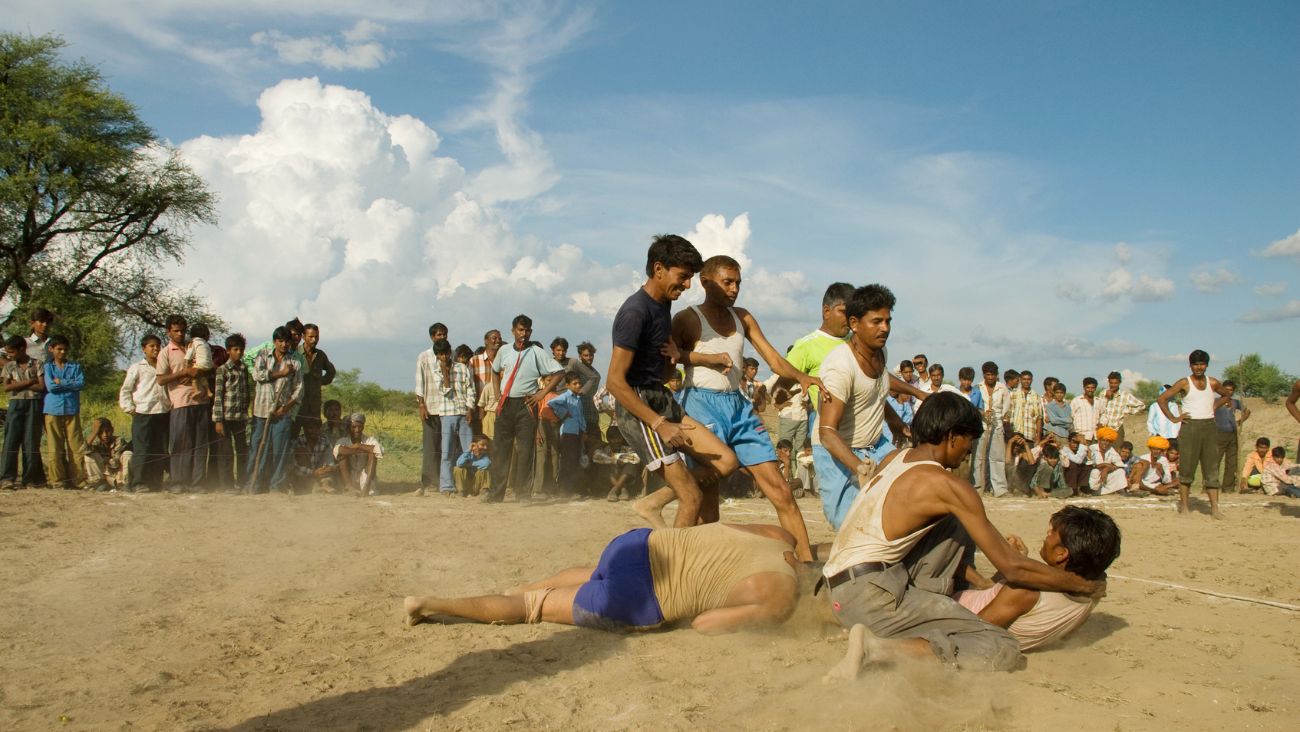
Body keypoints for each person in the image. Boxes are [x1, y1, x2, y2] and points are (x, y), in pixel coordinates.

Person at [820, 392, 1103, 678]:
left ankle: (923, 605)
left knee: (954, 522)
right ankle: (877, 649)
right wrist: (1079, 584)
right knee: (999, 644)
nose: (969, 451)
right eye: (969, 442)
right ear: (952, 436)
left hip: (838, 590)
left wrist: (981, 583)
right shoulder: (947, 485)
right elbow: (1012, 569)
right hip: (872, 598)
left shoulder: (895, 457)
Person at [637, 255, 821, 559]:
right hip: (700, 405)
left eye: (738, 283)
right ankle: (688, 569)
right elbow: (667, 362)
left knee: (782, 491)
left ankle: (807, 566)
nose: (734, 289)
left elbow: (773, 359)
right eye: (727, 282)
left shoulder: (743, 317)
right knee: (708, 509)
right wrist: (688, 358)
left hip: (738, 405)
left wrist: (802, 376)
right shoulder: (687, 318)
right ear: (705, 282)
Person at [404, 522, 798, 635]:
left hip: (638, 543)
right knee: (531, 611)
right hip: (642, 597)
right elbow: (704, 623)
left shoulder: (780, 536)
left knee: (597, 573)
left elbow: (718, 529)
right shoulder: (779, 597)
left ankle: (522, 585)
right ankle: (431, 604)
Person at [604, 235, 736, 529]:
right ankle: (675, 568)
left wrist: (674, 358)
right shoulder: (635, 312)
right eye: (683, 277)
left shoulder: (663, 306)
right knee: (690, 496)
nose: (687, 285)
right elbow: (614, 381)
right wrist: (658, 423)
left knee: (726, 462)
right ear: (659, 268)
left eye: (690, 278)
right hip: (640, 407)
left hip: (661, 397)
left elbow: (662, 373)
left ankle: (653, 502)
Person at [814, 284, 928, 530]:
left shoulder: (880, 351)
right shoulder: (840, 367)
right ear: (854, 324)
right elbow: (826, 433)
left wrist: (896, 420)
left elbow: (876, 387)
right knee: (852, 529)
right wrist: (858, 466)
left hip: (876, 446)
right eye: (876, 321)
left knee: (910, 506)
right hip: (839, 452)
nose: (885, 328)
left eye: (888, 321)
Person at [952, 507, 1121, 652]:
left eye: (1052, 532)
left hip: (951, 610)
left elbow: (971, 633)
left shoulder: (1025, 590)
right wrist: (1020, 564)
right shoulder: (1096, 587)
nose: (1047, 535)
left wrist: (1018, 568)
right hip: (981, 603)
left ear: (1061, 554)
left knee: (952, 527)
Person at [483, 314, 565, 504]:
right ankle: (496, 494)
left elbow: (559, 372)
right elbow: (495, 372)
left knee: (526, 451)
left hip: (526, 405)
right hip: (505, 404)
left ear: (531, 332)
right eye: (520, 330)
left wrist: (541, 394)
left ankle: (523, 495)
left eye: (527, 330)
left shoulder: (537, 351)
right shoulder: (503, 350)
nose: (524, 334)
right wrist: (497, 395)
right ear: (513, 331)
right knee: (501, 450)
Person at [1156, 350, 1232, 519]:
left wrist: (1213, 407)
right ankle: (1184, 507)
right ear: (1190, 365)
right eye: (1196, 364)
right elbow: (1162, 399)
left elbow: (1226, 395)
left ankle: (1215, 509)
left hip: (1210, 427)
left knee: (1211, 468)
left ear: (1207, 365)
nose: (1199, 367)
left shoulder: (1212, 382)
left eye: (1202, 364)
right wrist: (1174, 418)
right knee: (1187, 469)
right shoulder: (1184, 383)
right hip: (1190, 427)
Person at [155, 315, 211, 493]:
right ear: (168, 332)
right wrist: (183, 373)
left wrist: (198, 372)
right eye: (176, 331)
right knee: (181, 443)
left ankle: (198, 483)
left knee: (200, 443)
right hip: (180, 402)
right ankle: (178, 482)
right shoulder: (165, 352)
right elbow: (161, 379)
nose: (180, 334)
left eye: (182, 330)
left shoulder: (194, 345)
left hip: (200, 401)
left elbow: (206, 366)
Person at [247, 327, 302, 494]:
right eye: (280, 341)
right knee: (257, 449)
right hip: (261, 411)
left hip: (282, 413)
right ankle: (253, 483)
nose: (284, 344)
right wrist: (281, 373)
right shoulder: (263, 355)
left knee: (280, 451)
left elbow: (299, 389)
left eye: (286, 341)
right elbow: (258, 375)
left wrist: (284, 409)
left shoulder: (295, 362)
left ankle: (276, 485)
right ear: (274, 342)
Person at [422, 340, 475, 498]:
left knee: (468, 451)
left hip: (464, 413)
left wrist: (470, 409)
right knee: (447, 452)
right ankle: (447, 486)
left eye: (446, 353)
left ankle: (468, 485)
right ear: (437, 356)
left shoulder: (462, 368)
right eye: (440, 354)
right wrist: (445, 372)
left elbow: (470, 389)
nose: (444, 356)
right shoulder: (436, 372)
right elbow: (446, 392)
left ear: (450, 352)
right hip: (447, 414)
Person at [118, 334, 170, 493]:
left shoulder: (165, 367)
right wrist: (129, 408)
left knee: (160, 449)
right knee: (142, 449)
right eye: (151, 346)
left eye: (157, 346)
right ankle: (138, 482)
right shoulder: (137, 368)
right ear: (144, 349)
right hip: (143, 412)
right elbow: (126, 390)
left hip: (162, 412)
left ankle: (155, 482)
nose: (155, 349)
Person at [40, 335, 86, 490]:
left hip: (71, 409)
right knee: (55, 447)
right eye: (59, 349)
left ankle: (78, 479)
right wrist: (69, 384)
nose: (62, 352)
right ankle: (57, 481)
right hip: (53, 410)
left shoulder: (75, 366)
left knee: (76, 447)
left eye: (65, 349)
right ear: (51, 349)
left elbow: (80, 384)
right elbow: (51, 387)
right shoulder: (48, 367)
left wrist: (63, 382)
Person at [1, 336, 47, 489]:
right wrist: (29, 382)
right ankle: (7, 478)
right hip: (16, 404)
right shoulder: (9, 366)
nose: (9, 355)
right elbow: (6, 387)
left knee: (31, 442)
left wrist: (17, 385)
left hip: (33, 404)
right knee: (11, 441)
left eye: (12, 352)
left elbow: (41, 387)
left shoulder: (37, 364)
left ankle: (30, 479)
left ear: (22, 349)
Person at [415, 322, 451, 492]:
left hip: (449, 408)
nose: (441, 337)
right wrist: (421, 404)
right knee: (431, 445)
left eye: (444, 334)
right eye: (438, 334)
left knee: (447, 446)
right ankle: (429, 482)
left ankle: (444, 481)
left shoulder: (452, 354)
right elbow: (419, 382)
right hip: (430, 406)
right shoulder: (424, 356)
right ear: (432, 337)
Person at [211, 333, 250, 491]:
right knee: (226, 453)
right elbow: (218, 396)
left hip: (240, 417)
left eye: (241, 349)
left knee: (242, 450)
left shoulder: (243, 369)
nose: (239, 352)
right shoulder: (222, 370)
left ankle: (242, 482)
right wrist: (218, 420)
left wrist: (246, 412)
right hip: (226, 417)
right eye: (235, 349)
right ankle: (226, 485)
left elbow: (246, 393)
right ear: (228, 351)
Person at [973, 361, 1011, 497]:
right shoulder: (978, 387)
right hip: (981, 427)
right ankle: (978, 487)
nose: (990, 377)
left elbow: (1005, 406)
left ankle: (999, 489)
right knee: (979, 458)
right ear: (984, 375)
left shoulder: (1002, 388)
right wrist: (983, 413)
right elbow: (974, 406)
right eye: (988, 375)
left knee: (997, 458)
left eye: (993, 375)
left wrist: (996, 417)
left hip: (997, 426)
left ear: (996, 375)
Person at [549, 372, 588, 498]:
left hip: (577, 433)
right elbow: (551, 403)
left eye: (579, 383)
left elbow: (581, 416)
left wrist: (583, 430)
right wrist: (563, 413)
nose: (578, 385)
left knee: (575, 461)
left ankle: (572, 489)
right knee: (567, 461)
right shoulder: (565, 396)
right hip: (567, 433)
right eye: (574, 384)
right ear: (567, 385)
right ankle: (564, 489)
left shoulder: (578, 399)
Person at [296, 323, 337, 437]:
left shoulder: (320, 355)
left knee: (313, 437)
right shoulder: (295, 353)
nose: (314, 340)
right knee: (292, 436)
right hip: (297, 406)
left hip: (314, 406)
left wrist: (321, 381)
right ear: (303, 336)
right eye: (311, 337)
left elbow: (331, 372)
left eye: (317, 336)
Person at [334, 412, 384, 495]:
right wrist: (361, 448)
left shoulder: (370, 440)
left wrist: (359, 446)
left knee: (373, 454)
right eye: (354, 427)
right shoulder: (343, 440)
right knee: (342, 456)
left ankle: (366, 488)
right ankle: (349, 487)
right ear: (349, 427)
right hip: (349, 475)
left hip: (365, 474)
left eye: (360, 427)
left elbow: (380, 451)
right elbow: (338, 451)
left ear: (363, 427)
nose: (357, 430)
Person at [1213, 380, 1249, 492]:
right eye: (1226, 389)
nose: (1229, 392)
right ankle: (1210, 486)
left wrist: (1239, 422)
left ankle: (1228, 487)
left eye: (1231, 390)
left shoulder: (1235, 402)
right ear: (1221, 390)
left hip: (1233, 434)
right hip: (1219, 433)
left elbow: (1247, 411)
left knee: (1231, 462)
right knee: (1215, 461)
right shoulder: (1215, 401)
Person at [470, 330, 503, 438]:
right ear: (486, 341)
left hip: (500, 412)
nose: (498, 341)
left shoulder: (504, 362)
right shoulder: (474, 361)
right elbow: (468, 386)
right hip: (479, 412)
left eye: (499, 338)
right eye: (494, 338)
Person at [1096, 371, 1146, 444]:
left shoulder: (1125, 395)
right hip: (1104, 428)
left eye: (1115, 383)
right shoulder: (1103, 393)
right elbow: (1099, 409)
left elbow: (1141, 406)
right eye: (1111, 383)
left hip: (1117, 429)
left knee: (1116, 453)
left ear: (1119, 383)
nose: (1113, 385)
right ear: (1108, 382)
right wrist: (1106, 398)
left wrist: (1126, 410)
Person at [292, 419, 339, 494]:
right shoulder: (298, 442)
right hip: (304, 476)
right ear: (305, 429)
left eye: (317, 428)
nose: (314, 431)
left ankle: (326, 485)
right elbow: (294, 467)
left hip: (320, 473)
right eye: (311, 428)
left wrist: (327, 468)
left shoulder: (324, 441)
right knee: (302, 451)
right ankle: (314, 485)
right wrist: (313, 472)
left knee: (327, 466)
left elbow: (329, 460)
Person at [83, 417, 131, 491]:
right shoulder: (96, 442)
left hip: (117, 475)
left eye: (107, 431)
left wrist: (105, 461)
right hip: (103, 476)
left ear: (112, 430)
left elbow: (115, 464)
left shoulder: (119, 441)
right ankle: (99, 483)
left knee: (128, 454)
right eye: (101, 432)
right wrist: (94, 432)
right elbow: (82, 451)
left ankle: (125, 484)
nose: (105, 435)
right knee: (89, 456)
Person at [572, 342, 602, 446]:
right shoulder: (576, 371)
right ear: (580, 356)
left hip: (592, 415)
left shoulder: (596, 374)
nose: (589, 358)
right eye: (585, 355)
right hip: (579, 415)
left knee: (596, 447)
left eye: (591, 355)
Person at [1086, 427, 1127, 495]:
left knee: (1120, 471)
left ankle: (1109, 491)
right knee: (1095, 472)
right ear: (1099, 440)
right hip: (1093, 477)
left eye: (1109, 441)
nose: (1106, 443)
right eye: (1104, 440)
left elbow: (1120, 465)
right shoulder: (1092, 448)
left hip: (1104, 478)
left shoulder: (1111, 449)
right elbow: (1090, 465)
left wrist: (1107, 469)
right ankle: (1093, 491)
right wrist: (1104, 465)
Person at [1008, 369, 1044, 443]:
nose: (1026, 381)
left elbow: (1039, 418)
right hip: (1015, 434)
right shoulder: (1012, 394)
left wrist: (1038, 438)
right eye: (1024, 379)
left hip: (1030, 435)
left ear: (1031, 380)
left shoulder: (1036, 397)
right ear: (1020, 380)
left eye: (1028, 379)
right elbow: (1008, 414)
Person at [184, 322, 215, 402]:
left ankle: (196, 390)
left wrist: (186, 366)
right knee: (202, 377)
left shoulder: (193, 343)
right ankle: (208, 391)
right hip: (210, 365)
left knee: (193, 375)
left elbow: (189, 355)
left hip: (200, 365)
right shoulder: (206, 344)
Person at [1069, 377, 1100, 443]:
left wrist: (1101, 423)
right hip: (1081, 436)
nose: (1090, 390)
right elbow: (1070, 417)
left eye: (1092, 388)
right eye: (1088, 387)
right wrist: (1075, 434)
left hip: (1095, 436)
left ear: (1095, 388)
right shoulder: (1076, 401)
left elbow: (1104, 414)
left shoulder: (1098, 401)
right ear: (1084, 388)